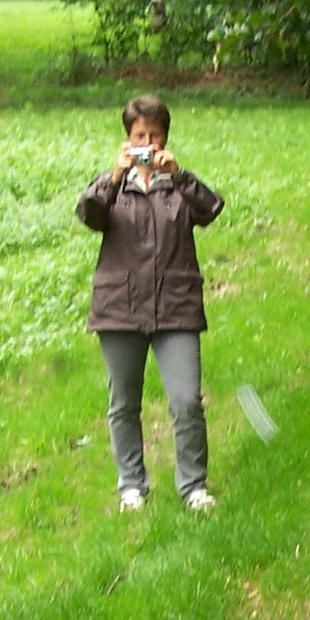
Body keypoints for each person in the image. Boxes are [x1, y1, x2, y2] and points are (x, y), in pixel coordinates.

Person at [77, 93, 224, 512]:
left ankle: (193, 486)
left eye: (154, 135)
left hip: (175, 306)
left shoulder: (178, 185)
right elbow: (89, 215)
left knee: (186, 400)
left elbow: (211, 209)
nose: (147, 143)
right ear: (128, 139)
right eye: (139, 135)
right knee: (124, 402)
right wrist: (114, 176)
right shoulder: (113, 186)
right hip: (119, 308)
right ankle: (131, 485)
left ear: (165, 139)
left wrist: (179, 175)